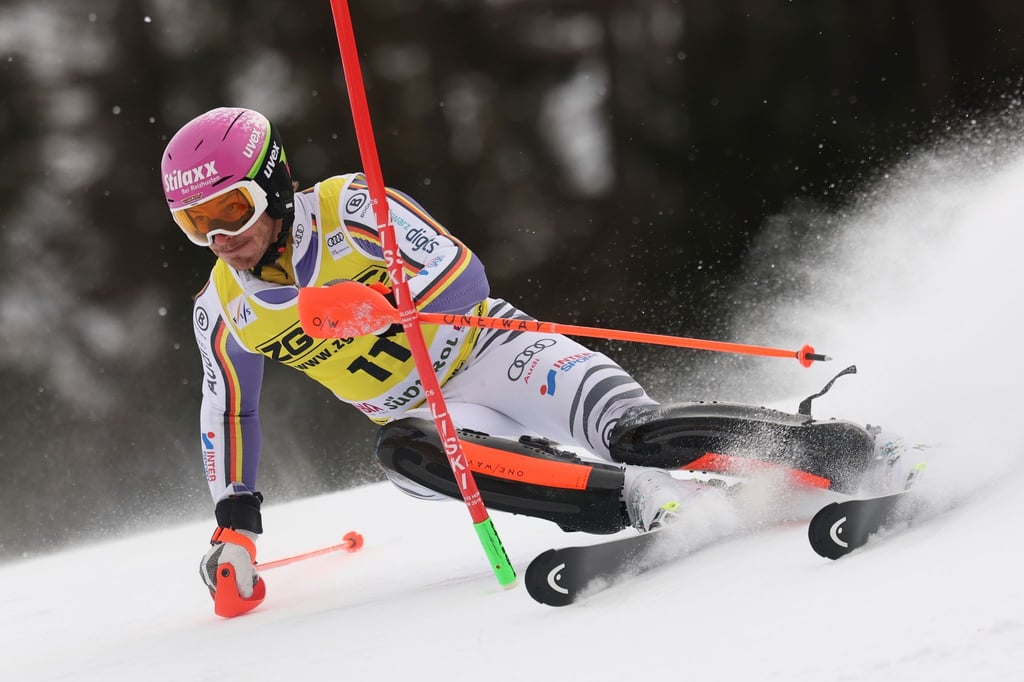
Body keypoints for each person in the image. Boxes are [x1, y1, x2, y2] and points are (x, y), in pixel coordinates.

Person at [161, 107, 917, 612]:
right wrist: (235, 527)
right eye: (196, 223)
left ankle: (857, 450)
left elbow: (464, 276)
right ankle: (642, 500)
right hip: (433, 413)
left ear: (272, 184)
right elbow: (229, 410)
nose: (221, 236)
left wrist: (376, 302)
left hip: (497, 352)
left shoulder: (352, 209)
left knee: (633, 432)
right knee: (405, 453)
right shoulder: (219, 307)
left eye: (231, 210)